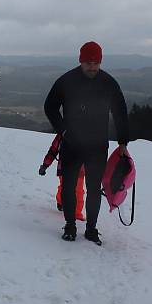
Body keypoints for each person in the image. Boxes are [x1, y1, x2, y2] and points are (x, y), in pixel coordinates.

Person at [44, 41, 129, 245]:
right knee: (69, 185)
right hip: (71, 143)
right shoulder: (67, 81)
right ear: (81, 61)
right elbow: (50, 106)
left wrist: (123, 142)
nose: (92, 67)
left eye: (96, 63)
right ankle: (70, 226)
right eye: (88, 63)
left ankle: (91, 229)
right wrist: (63, 130)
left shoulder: (108, 83)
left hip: (97, 145)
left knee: (93, 188)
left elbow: (120, 112)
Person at [39, 133, 85, 221]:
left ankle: (76, 214)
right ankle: (61, 202)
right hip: (65, 167)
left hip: (79, 169)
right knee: (66, 187)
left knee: (77, 191)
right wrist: (45, 165)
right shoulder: (63, 133)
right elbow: (53, 150)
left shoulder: (86, 133)